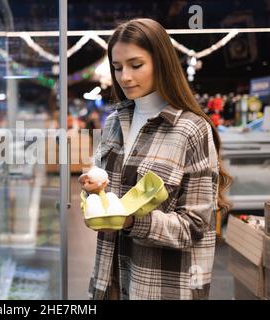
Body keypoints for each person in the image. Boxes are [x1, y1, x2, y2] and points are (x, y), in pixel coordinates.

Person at [78, 18, 232, 300]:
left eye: (136, 65)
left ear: (161, 63)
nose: (124, 76)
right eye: (117, 67)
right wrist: (93, 189)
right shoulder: (114, 122)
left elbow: (195, 226)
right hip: (109, 277)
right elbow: (105, 188)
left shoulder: (191, 130)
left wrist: (129, 222)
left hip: (161, 286)